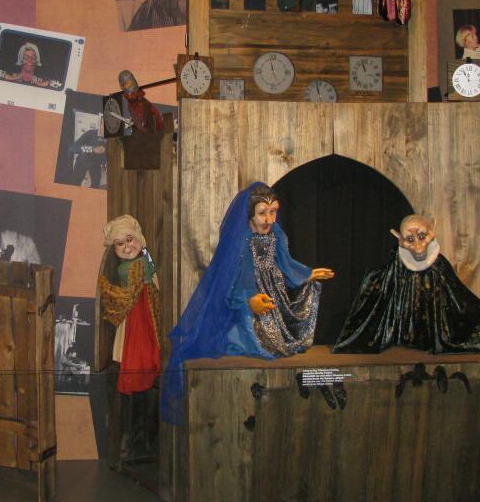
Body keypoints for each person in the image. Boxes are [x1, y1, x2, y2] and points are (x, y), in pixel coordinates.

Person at [162, 183, 334, 424]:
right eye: (263, 213)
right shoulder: (242, 243)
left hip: (273, 298)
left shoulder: (275, 236)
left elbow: (286, 263)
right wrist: (248, 301)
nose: (269, 219)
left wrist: (307, 274)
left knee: (283, 342)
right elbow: (231, 281)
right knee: (259, 342)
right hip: (248, 304)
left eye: (273, 212)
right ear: (250, 214)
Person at [333, 215, 480, 354]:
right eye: (409, 239)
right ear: (399, 239)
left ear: (432, 232)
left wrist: (477, 311)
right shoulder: (395, 266)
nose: (417, 246)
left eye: (422, 236)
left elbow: (456, 294)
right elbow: (380, 292)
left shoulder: (439, 265)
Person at [97, 215, 162, 458]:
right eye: (120, 244)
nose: (127, 247)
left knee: (146, 374)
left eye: (130, 240)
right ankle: (133, 444)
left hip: (146, 323)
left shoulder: (143, 263)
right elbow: (125, 295)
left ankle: (145, 443)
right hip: (135, 324)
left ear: (139, 239)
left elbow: (149, 287)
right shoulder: (130, 268)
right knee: (137, 374)